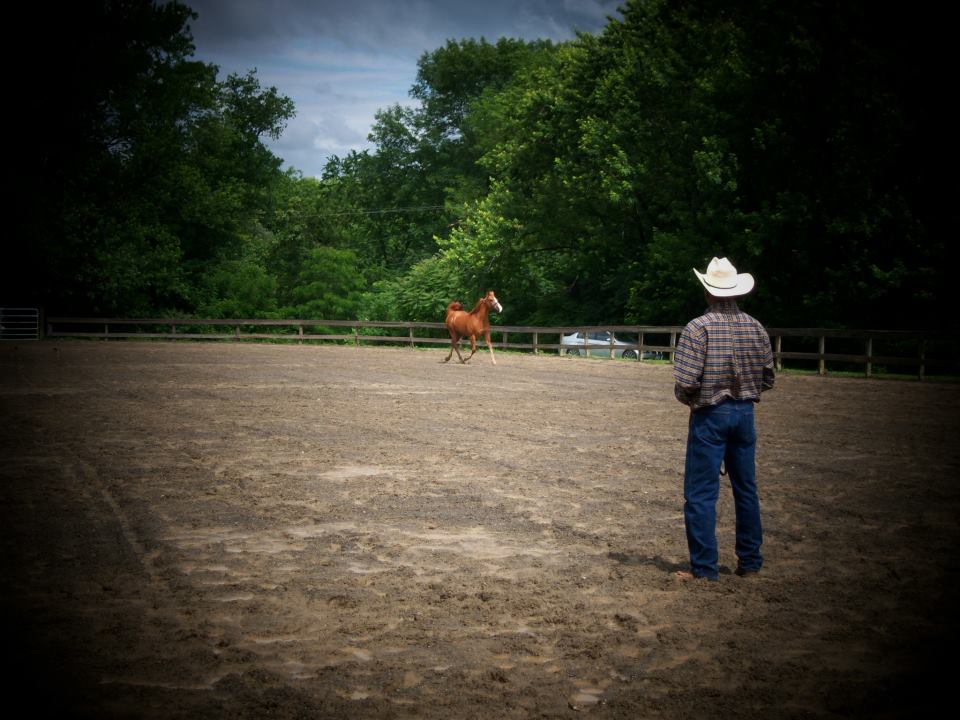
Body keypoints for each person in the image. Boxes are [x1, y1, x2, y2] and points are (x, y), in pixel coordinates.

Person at [673, 257, 775, 581]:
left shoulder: (697, 328)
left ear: (708, 292)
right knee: (746, 489)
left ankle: (704, 568)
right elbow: (768, 378)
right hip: (745, 413)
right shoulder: (756, 327)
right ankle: (750, 562)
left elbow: (686, 382)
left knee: (701, 493)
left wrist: (692, 401)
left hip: (710, 414)